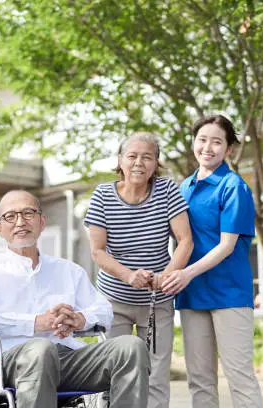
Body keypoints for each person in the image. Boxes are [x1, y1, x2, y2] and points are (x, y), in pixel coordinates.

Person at [0, 190, 150, 408]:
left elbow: (104, 310)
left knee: (131, 347)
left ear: (42, 222)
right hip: (7, 361)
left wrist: (79, 319)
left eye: (28, 213)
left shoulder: (68, 270)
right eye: (10, 216)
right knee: (41, 348)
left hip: (67, 359)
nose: (20, 221)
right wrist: (35, 323)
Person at [84, 131, 193, 408]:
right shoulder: (102, 195)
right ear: (120, 161)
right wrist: (128, 275)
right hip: (114, 300)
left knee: (156, 374)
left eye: (147, 157)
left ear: (156, 163)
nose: (139, 163)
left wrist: (165, 277)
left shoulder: (167, 190)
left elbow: (185, 241)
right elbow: (97, 251)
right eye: (132, 156)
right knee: (114, 370)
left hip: (157, 302)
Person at [161, 115, 263, 407]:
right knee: (200, 380)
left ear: (228, 149)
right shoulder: (184, 187)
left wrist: (185, 274)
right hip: (193, 295)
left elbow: (227, 246)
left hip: (229, 293)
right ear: (194, 143)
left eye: (217, 142)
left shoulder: (234, 186)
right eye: (202, 139)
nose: (208, 147)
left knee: (239, 376)